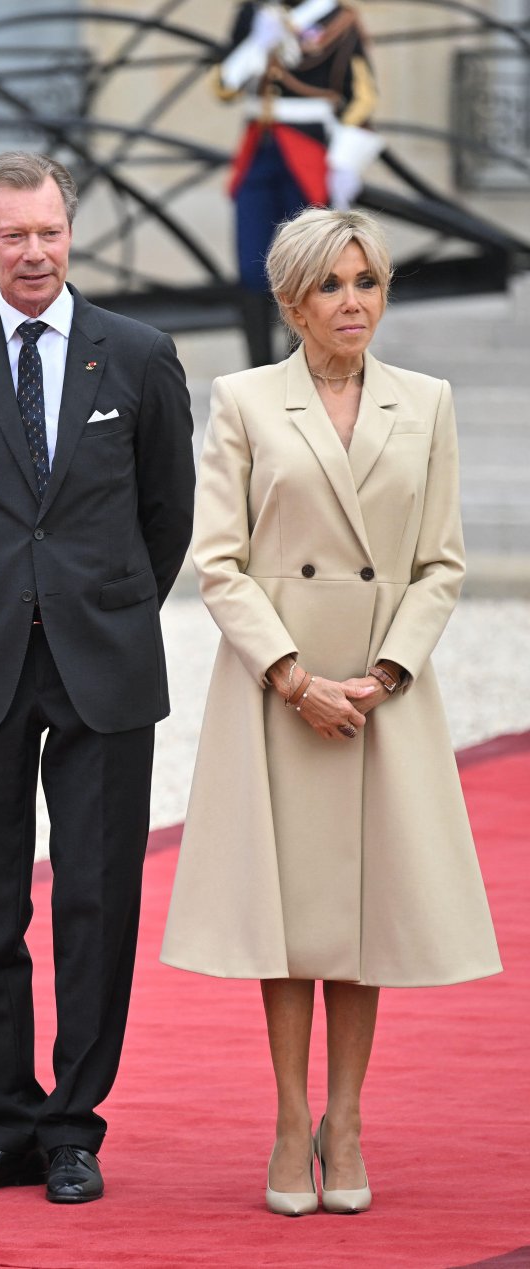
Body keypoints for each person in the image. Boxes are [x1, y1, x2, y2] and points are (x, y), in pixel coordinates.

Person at [160, 207, 501, 1216]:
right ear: (291, 302)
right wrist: (293, 677)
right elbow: (215, 560)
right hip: (282, 695)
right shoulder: (244, 400)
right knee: (295, 919)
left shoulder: (427, 401)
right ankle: (286, 1116)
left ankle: (344, 1122)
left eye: (369, 282)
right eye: (333, 286)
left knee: (365, 918)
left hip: (383, 697)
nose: (355, 303)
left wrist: (387, 673)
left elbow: (442, 562)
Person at [0, 152, 195, 1204]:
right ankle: (4, 1121)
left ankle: (74, 1125)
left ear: (74, 235)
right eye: (14, 234)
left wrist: (96, 603)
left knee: (95, 903)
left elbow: (169, 518)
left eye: (51, 232)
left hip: (104, 668)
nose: (34, 252)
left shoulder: (143, 355)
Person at [216, 1, 381, 365]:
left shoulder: (339, 19)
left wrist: (346, 160)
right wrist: (256, 44)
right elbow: (223, 88)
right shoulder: (254, 12)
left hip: (309, 152)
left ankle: (300, 369)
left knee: (308, 267)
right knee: (251, 268)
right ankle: (257, 372)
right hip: (259, 148)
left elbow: (363, 96)